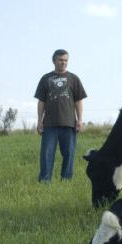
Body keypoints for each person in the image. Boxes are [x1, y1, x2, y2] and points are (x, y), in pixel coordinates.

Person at [34, 49, 87, 182]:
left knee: (69, 154)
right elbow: (41, 102)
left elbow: (78, 101)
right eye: (60, 60)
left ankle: (66, 180)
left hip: (69, 124)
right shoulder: (46, 79)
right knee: (46, 154)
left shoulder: (73, 79)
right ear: (54, 61)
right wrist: (39, 121)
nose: (63, 63)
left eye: (65, 60)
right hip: (49, 125)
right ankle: (45, 181)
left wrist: (80, 120)